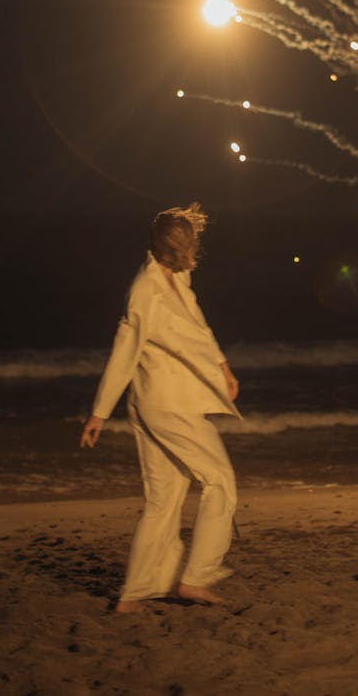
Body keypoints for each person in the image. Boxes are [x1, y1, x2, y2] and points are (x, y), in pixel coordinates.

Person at [80, 202, 241, 611]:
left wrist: (221, 363)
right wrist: (99, 411)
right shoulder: (145, 291)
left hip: (162, 401)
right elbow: (125, 349)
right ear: (177, 245)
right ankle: (196, 577)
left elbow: (198, 324)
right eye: (190, 241)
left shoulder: (178, 277)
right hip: (167, 405)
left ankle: (135, 592)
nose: (195, 247)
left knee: (164, 498)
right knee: (220, 479)